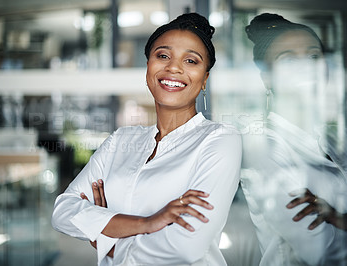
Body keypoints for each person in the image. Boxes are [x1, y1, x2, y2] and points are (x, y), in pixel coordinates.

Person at [51, 12, 242, 266]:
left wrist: (107, 237)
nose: (173, 67)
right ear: (148, 67)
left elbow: (187, 247)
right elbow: (63, 211)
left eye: (191, 61)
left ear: (205, 79)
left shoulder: (220, 140)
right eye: (163, 56)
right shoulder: (122, 139)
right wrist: (148, 223)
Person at [241, 13, 347, 265]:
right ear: (266, 77)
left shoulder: (333, 139)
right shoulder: (262, 147)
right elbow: (320, 251)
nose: (306, 67)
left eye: (313, 56)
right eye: (288, 59)